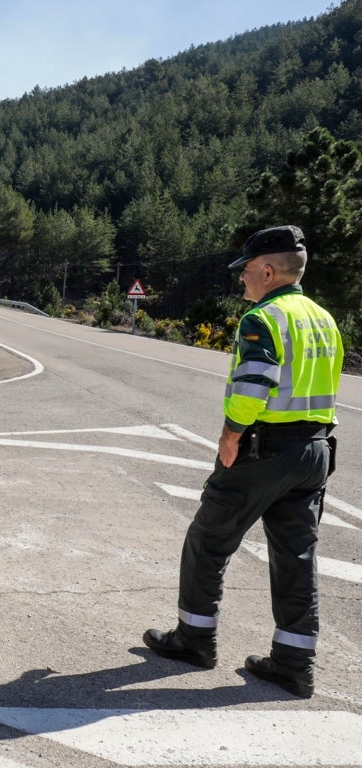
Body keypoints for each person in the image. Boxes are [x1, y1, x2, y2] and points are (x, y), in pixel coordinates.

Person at [143, 225, 343, 698]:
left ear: (268, 271)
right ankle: (294, 664)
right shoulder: (323, 319)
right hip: (314, 449)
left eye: (247, 271)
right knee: (296, 556)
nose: (242, 280)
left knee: (207, 541)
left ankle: (194, 640)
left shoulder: (263, 318)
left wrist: (231, 434)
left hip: (263, 449)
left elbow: (254, 385)